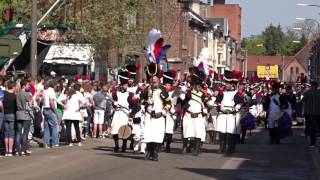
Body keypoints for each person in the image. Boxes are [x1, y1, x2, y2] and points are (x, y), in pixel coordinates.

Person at [182, 67, 207, 156]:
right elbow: (182, 100)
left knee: (198, 132)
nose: (197, 86)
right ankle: (185, 146)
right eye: (196, 84)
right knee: (186, 131)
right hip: (189, 115)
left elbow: (209, 103)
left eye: (198, 84)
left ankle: (196, 149)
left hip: (198, 116)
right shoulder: (188, 92)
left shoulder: (203, 94)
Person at [143, 63, 166, 161]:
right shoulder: (146, 90)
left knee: (157, 135)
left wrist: (162, 112)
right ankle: (149, 151)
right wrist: (145, 102)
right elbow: (140, 100)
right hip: (148, 116)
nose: (154, 81)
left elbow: (168, 103)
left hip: (159, 116)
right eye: (152, 80)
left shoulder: (162, 90)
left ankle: (155, 152)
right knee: (148, 134)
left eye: (156, 79)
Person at [111, 70, 131, 152]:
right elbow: (113, 103)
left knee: (124, 129)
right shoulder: (116, 93)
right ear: (121, 85)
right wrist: (114, 104)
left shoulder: (129, 94)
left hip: (125, 114)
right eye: (124, 85)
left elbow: (131, 104)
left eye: (126, 85)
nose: (125, 86)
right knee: (115, 129)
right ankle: (116, 145)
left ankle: (124, 145)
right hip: (117, 113)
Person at [15, 79, 33, 156]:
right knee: (25, 133)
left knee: (18, 132)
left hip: (19, 114)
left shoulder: (17, 94)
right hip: (26, 114)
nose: (28, 86)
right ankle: (23, 149)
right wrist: (31, 100)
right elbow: (29, 105)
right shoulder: (26, 94)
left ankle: (17, 149)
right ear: (24, 86)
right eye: (27, 85)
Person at [302, 81, 320, 148]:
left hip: (309, 113)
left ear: (312, 86)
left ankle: (313, 144)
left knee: (312, 128)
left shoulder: (307, 92)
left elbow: (303, 101)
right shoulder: (319, 92)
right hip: (318, 113)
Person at [42, 80, 59, 148]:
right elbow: (51, 102)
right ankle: (55, 143)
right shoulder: (51, 91)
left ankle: (46, 143)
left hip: (45, 109)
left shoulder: (45, 91)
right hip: (50, 109)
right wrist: (55, 111)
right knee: (54, 126)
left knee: (47, 127)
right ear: (54, 86)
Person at [3, 81, 17, 156]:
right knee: (11, 133)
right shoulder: (14, 96)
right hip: (12, 114)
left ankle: (6, 151)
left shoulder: (4, 95)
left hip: (5, 114)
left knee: (6, 133)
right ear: (13, 87)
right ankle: (10, 151)